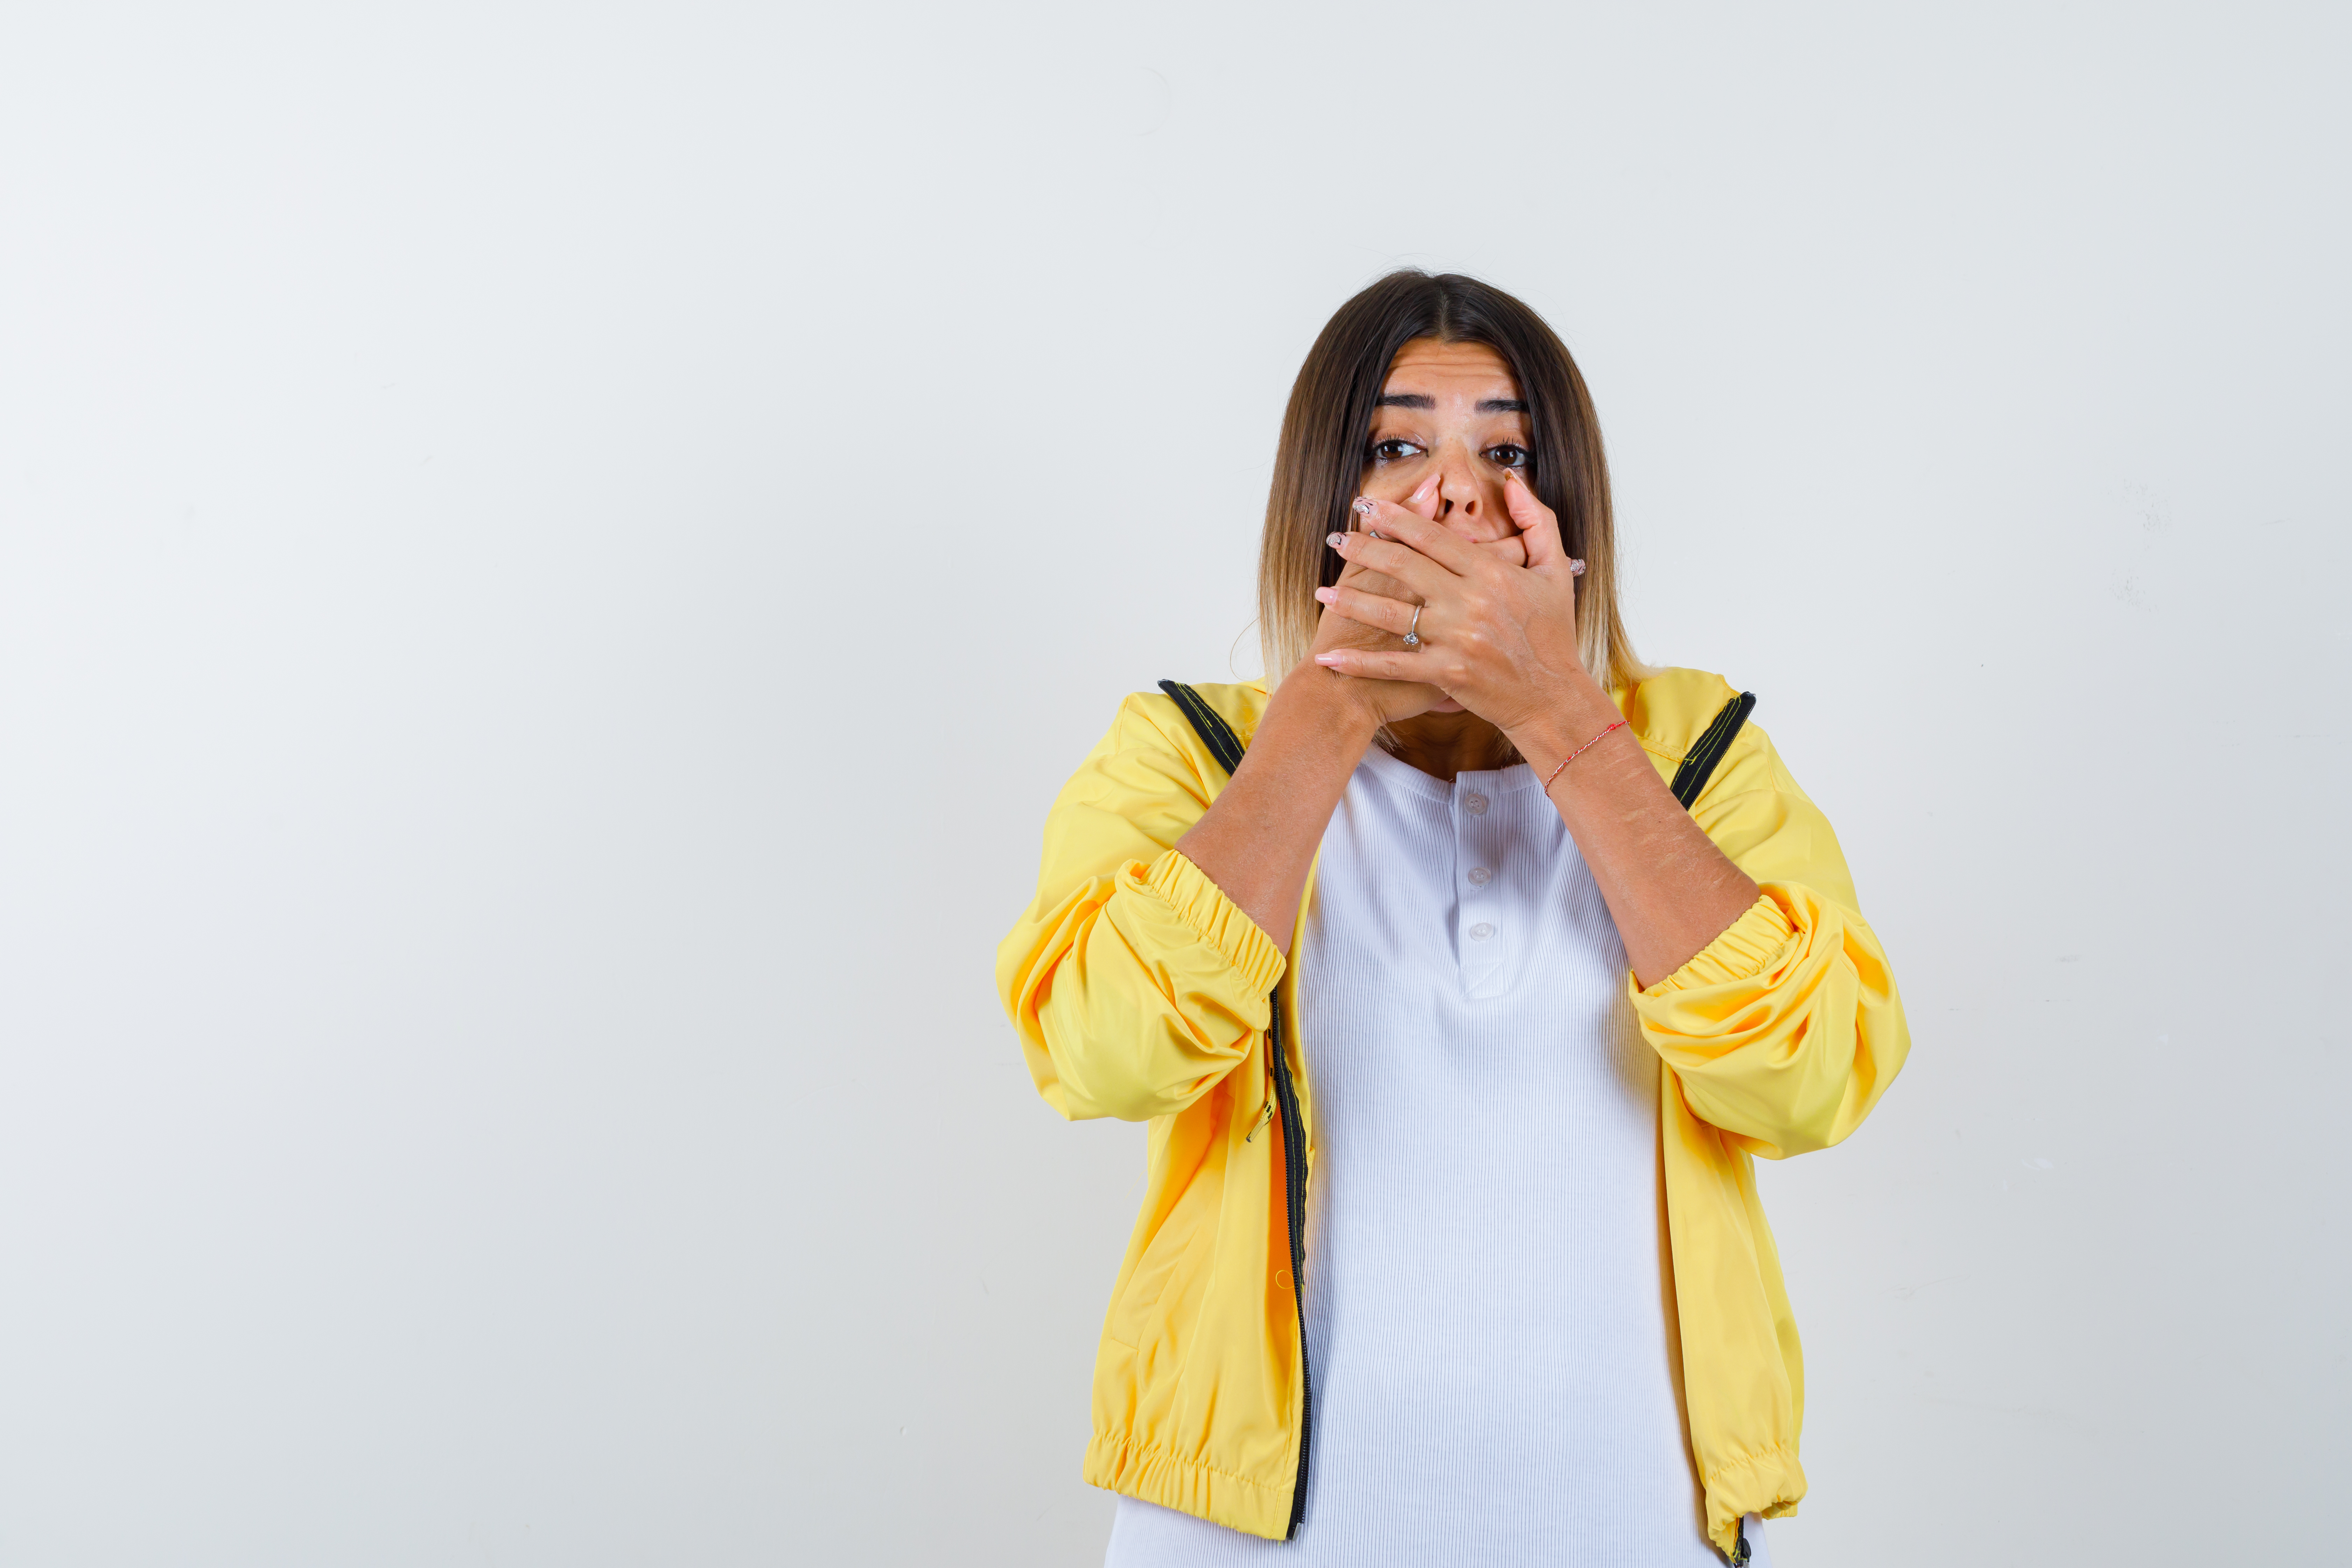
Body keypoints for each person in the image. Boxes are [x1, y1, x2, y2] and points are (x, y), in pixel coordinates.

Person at [995, 270, 1908, 1567]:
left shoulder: (1697, 755)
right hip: (1252, 1537)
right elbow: (1103, 1056)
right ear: (1326, 501)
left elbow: (1809, 1081)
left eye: (1508, 454)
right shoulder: (1188, 754)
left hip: (1629, 1527)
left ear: (1567, 510)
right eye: (1397, 447)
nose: (1454, 496)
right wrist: (1332, 704)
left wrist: (1555, 709)